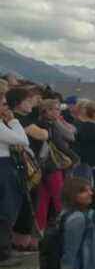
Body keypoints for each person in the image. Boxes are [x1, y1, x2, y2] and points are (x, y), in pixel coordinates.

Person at [44, 178, 95, 269]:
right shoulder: (77, 218)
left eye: (90, 189)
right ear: (72, 195)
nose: (91, 193)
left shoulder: (66, 212)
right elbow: (70, 253)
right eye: (84, 191)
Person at [7, 88, 43, 251]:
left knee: (30, 202)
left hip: (29, 164)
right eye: (27, 101)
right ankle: (19, 241)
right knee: (25, 202)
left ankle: (23, 239)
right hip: (21, 165)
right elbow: (39, 135)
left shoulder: (27, 118)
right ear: (17, 103)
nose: (31, 103)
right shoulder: (18, 119)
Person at [35, 99, 77, 232]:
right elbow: (61, 142)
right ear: (44, 111)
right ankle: (65, 227)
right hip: (52, 165)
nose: (56, 112)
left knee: (43, 198)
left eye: (58, 109)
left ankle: (40, 228)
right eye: (52, 109)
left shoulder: (43, 123)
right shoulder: (48, 125)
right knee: (59, 197)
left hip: (43, 165)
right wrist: (74, 157)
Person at [0, 93, 29, 267]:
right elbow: (22, 140)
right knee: (6, 209)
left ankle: (5, 248)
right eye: (3, 104)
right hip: (3, 166)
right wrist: (14, 121)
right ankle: (3, 252)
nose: (6, 108)